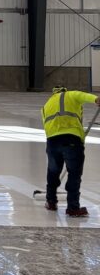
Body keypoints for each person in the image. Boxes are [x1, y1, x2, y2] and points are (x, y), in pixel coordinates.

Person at [41, 85, 100, 217]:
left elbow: (45, 124)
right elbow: (84, 96)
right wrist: (96, 99)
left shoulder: (46, 105)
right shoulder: (71, 94)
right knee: (74, 174)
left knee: (53, 172)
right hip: (71, 139)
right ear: (64, 90)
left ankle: (51, 202)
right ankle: (73, 208)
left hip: (52, 141)